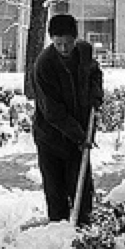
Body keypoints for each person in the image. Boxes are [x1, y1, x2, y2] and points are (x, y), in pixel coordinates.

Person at [31, 13, 103, 226]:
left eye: (68, 43)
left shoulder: (84, 53)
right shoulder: (44, 65)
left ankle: (84, 232)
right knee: (56, 193)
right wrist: (80, 136)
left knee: (82, 191)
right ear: (51, 40)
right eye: (59, 43)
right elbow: (52, 111)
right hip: (50, 137)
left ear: (75, 39)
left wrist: (96, 94)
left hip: (79, 134)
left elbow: (95, 74)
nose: (64, 48)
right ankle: (59, 237)